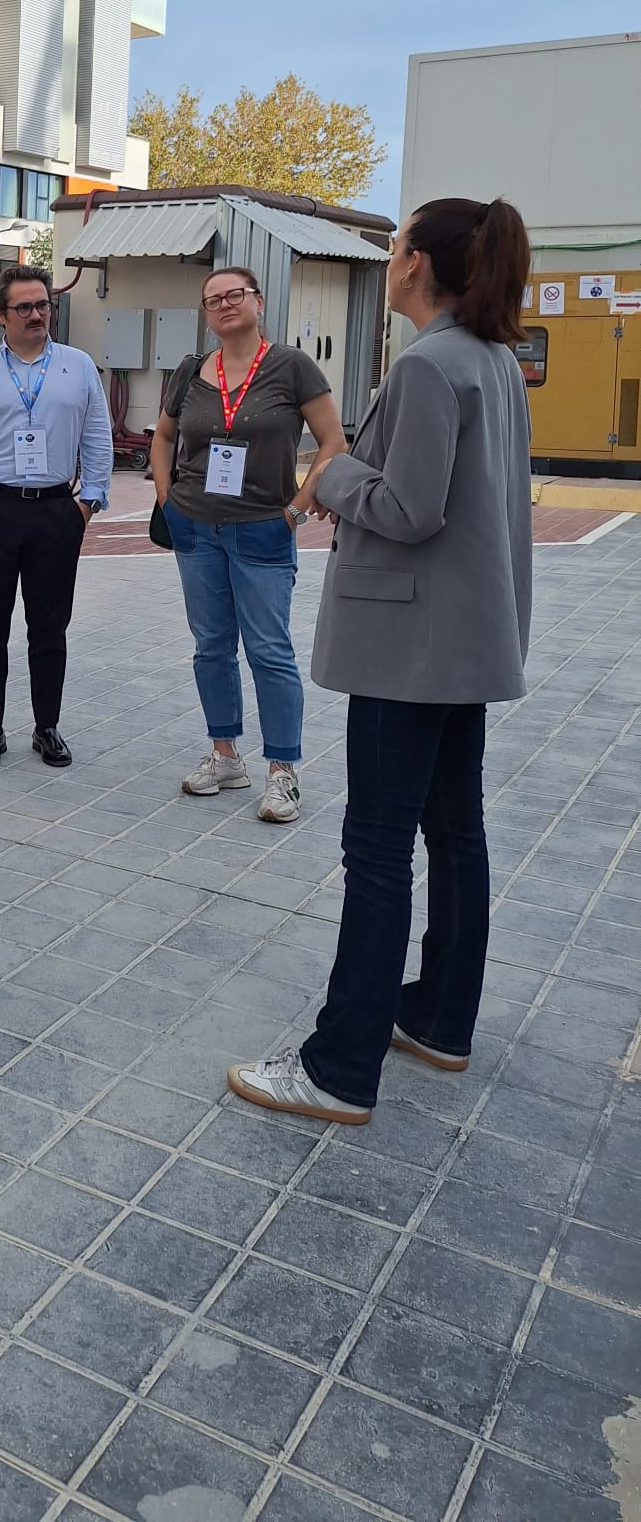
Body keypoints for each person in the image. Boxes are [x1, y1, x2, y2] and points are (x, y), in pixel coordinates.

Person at [229, 199, 534, 1126]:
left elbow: (409, 507)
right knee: (455, 831)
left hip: (412, 647)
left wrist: (333, 475)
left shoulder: (431, 365)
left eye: (396, 246)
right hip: (461, 639)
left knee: (376, 849)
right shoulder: (491, 358)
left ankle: (339, 1067)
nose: (390, 258)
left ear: (418, 266)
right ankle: (438, 1016)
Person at [151, 266, 347, 823]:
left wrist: (297, 509)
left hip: (264, 528)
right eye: (213, 299)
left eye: (235, 294)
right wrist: (167, 498)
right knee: (211, 645)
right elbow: (163, 436)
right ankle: (225, 756)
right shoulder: (191, 371)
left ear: (258, 301)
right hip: (195, 527)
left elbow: (333, 441)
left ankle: (283, 771)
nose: (224, 304)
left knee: (269, 650)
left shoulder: (291, 366)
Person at [0, 265, 113, 770]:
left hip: (56, 510)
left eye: (43, 305)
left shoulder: (78, 366)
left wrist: (88, 502)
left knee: (50, 626)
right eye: (24, 307)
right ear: (0, 315)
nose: (37, 315)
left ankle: (47, 727)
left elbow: (97, 436)